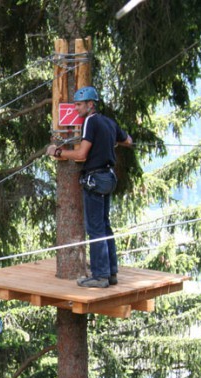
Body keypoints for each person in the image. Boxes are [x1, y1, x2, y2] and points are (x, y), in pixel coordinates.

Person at [47, 86, 133, 288]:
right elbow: (128, 140)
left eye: (79, 104)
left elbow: (81, 155)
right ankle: (111, 272)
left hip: (95, 179)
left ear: (90, 105)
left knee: (95, 228)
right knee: (104, 225)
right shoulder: (109, 123)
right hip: (108, 178)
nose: (76, 109)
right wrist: (110, 141)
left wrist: (57, 152)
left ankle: (100, 275)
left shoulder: (90, 122)